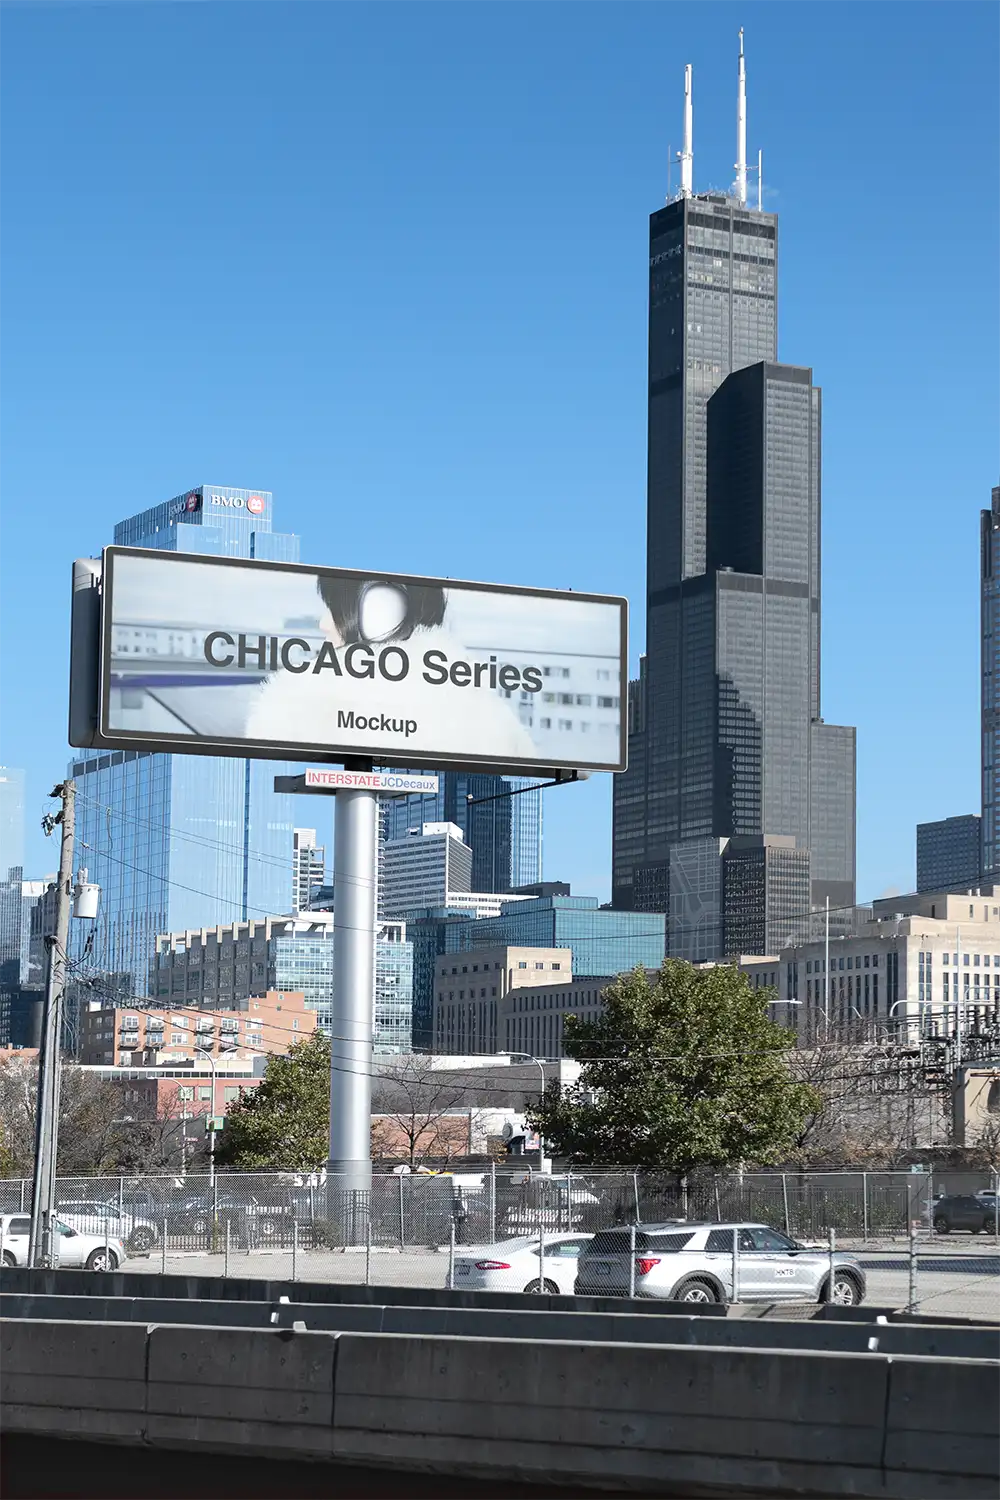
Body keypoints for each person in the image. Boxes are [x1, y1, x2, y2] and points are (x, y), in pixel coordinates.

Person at [245, 573, 538, 762]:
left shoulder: (300, 700)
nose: (323, 623)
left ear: (381, 613)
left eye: (334, 609)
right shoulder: (489, 715)